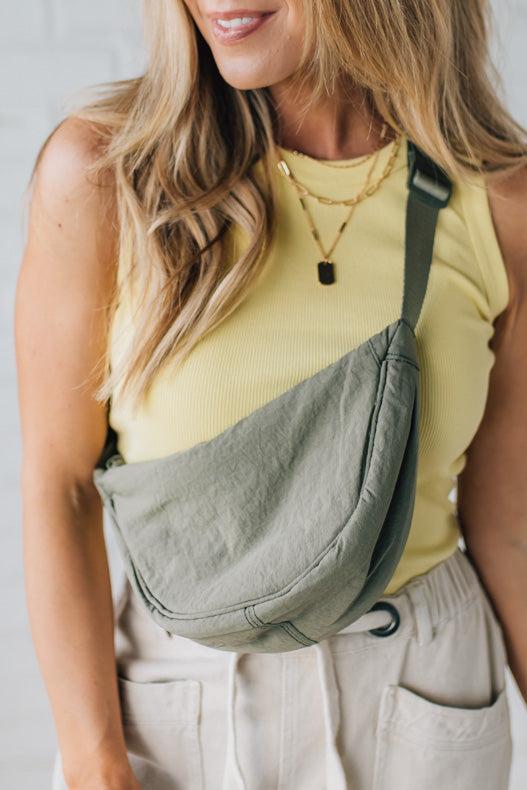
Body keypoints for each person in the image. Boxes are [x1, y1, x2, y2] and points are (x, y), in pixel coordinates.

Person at [14, 1, 527, 788]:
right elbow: (61, 485)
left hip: (420, 689)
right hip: (180, 704)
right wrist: (93, 761)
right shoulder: (107, 173)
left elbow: (508, 515)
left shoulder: (498, 200)